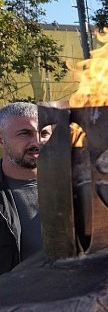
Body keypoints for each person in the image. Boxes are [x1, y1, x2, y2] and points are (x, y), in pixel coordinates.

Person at [0, 102, 52, 274]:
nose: (37, 142)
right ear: (1, 139)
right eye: (25, 133)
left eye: (44, 133)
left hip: (72, 297)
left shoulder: (77, 186)